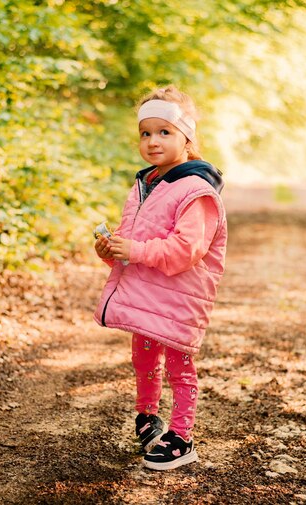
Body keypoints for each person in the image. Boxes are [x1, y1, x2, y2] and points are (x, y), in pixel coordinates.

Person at [93, 85, 227, 471]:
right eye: (145, 132)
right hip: (147, 292)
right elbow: (133, 243)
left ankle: (183, 436)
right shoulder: (144, 185)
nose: (153, 141)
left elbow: (187, 250)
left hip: (179, 297)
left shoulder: (197, 192)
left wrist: (135, 251)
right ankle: (148, 417)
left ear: (187, 137)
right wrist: (113, 252)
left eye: (164, 132)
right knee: (144, 357)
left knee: (179, 366)